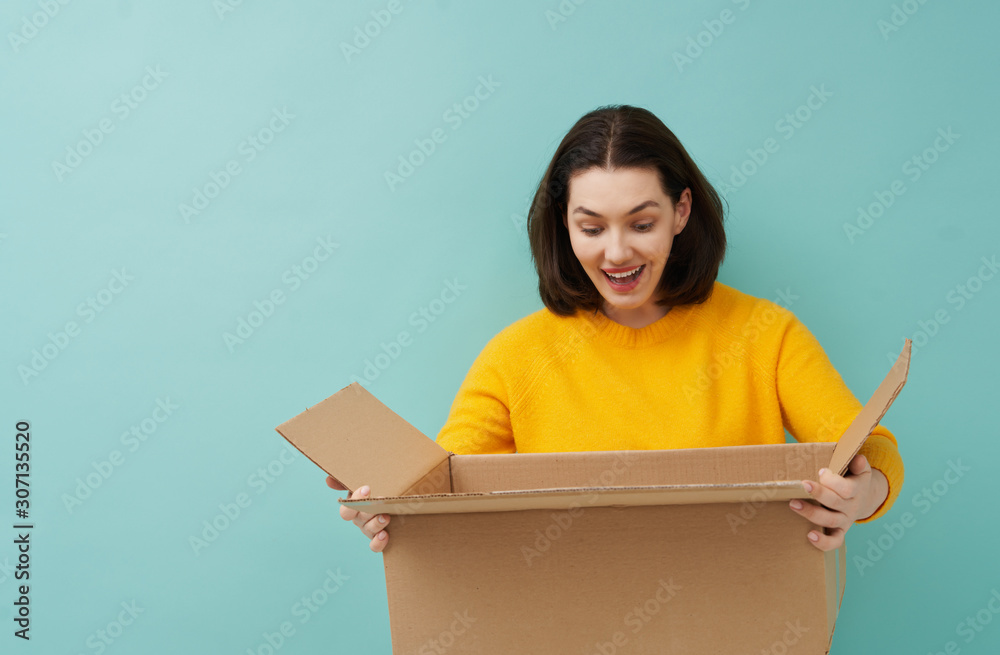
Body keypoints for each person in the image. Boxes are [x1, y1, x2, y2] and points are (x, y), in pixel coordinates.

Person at [328, 104, 904, 554]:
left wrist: (862, 496)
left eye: (641, 222)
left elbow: (867, 447)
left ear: (681, 212)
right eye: (592, 227)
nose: (617, 251)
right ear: (564, 225)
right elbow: (442, 485)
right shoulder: (515, 357)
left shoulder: (764, 335)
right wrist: (384, 504)